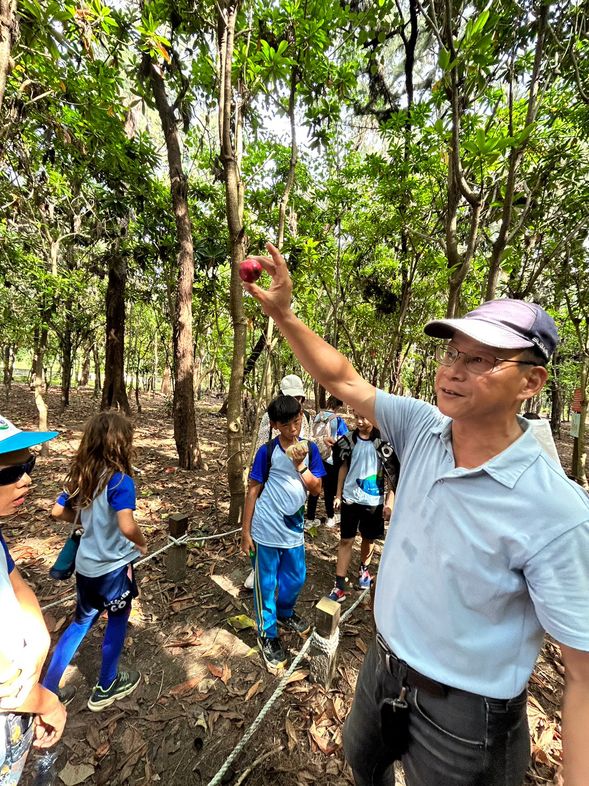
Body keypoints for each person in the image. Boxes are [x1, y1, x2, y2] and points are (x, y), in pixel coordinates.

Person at [241, 242, 589, 786]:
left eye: (480, 359)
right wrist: (284, 315)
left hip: (468, 721)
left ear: (531, 382)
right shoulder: (422, 428)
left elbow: (583, 674)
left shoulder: (556, 511)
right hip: (380, 669)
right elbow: (345, 381)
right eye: (453, 353)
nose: (454, 370)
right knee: (363, 766)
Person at [42, 412, 147, 712]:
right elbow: (127, 525)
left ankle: (49, 688)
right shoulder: (120, 482)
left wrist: (82, 524)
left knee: (79, 623)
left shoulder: (82, 476)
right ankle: (107, 684)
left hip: (86, 568)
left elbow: (56, 511)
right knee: (118, 618)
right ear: (120, 444)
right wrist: (140, 542)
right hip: (113, 570)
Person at [0, 415, 66, 784]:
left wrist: (39, 642)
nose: (27, 479)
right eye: (10, 473)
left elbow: (16, 581)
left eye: (29, 465)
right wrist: (48, 704)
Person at [241, 395, 325, 674]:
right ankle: (267, 633)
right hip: (266, 527)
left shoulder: (310, 448)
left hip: (294, 529)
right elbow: (253, 490)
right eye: (287, 424)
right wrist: (246, 531)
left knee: (296, 577)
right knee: (265, 584)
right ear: (275, 425)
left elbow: (316, 490)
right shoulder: (267, 451)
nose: (293, 428)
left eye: (297, 420)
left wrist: (301, 465)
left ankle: (285, 611)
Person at [329, 410, 394, 601]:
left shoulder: (383, 444)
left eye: (364, 417)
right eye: (356, 416)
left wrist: (389, 502)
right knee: (346, 539)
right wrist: (338, 494)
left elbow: (391, 473)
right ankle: (339, 584)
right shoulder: (348, 441)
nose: (359, 421)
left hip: (374, 501)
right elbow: (343, 467)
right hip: (351, 498)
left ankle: (363, 570)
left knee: (369, 538)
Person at [305, 395, 349, 529]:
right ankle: (330, 517)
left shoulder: (317, 416)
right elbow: (343, 439)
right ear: (338, 406)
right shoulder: (337, 420)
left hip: (316, 457)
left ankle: (310, 518)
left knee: (315, 488)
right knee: (330, 490)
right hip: (330, 458)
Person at [254, 374, 311, 452]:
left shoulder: (305, 416)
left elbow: (309, 441)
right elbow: (261, 444)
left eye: (298, 398)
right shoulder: (270, 416)